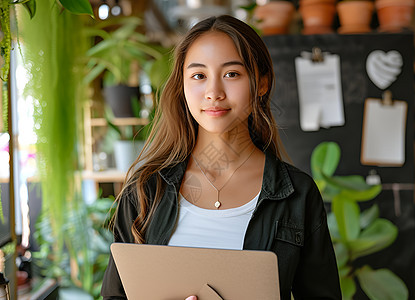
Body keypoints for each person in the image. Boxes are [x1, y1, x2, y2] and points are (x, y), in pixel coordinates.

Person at [101, 15, 341, 300]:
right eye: (199, 76)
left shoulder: (297, 194)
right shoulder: (145, 191)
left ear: (261, 83)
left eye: (231, 74)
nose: (213, 93)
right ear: (182, 86)